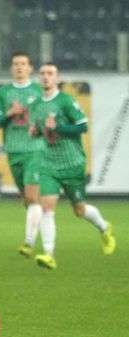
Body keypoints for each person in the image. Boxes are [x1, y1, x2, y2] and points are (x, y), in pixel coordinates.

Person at [28, 63, 116, 269]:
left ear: (57, 78)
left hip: (72, 163)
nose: (46, 77)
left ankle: (104, 228)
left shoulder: (66, 101)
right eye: (43, 73)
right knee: (47, 207)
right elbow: (41, 131)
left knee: (79, 209)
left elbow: (82, 126)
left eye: (50, 73)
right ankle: (48, 254)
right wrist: (36, 132)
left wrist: (58, 127)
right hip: (49, 164)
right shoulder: (36, 105)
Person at [0, 52, 44, 258]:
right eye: (16, 64)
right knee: (27, 199)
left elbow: (49, 115)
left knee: (31, 196)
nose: (19, 67)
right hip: (14, 150)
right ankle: (40, 224)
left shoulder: (38, 90)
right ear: (11, 68)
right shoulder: (3, 92)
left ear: (30, 68)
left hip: (35, 149)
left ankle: (29, 242)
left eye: (23, 64)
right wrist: (10, 113)